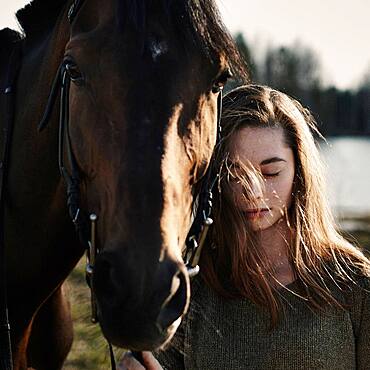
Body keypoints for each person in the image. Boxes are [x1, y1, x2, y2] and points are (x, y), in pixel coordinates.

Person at [119, 85, 370, 370]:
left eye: (270, 172)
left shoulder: (354, 285)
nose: (253, 191)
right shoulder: (191, 292)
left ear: (300, 172)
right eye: (234, 173)